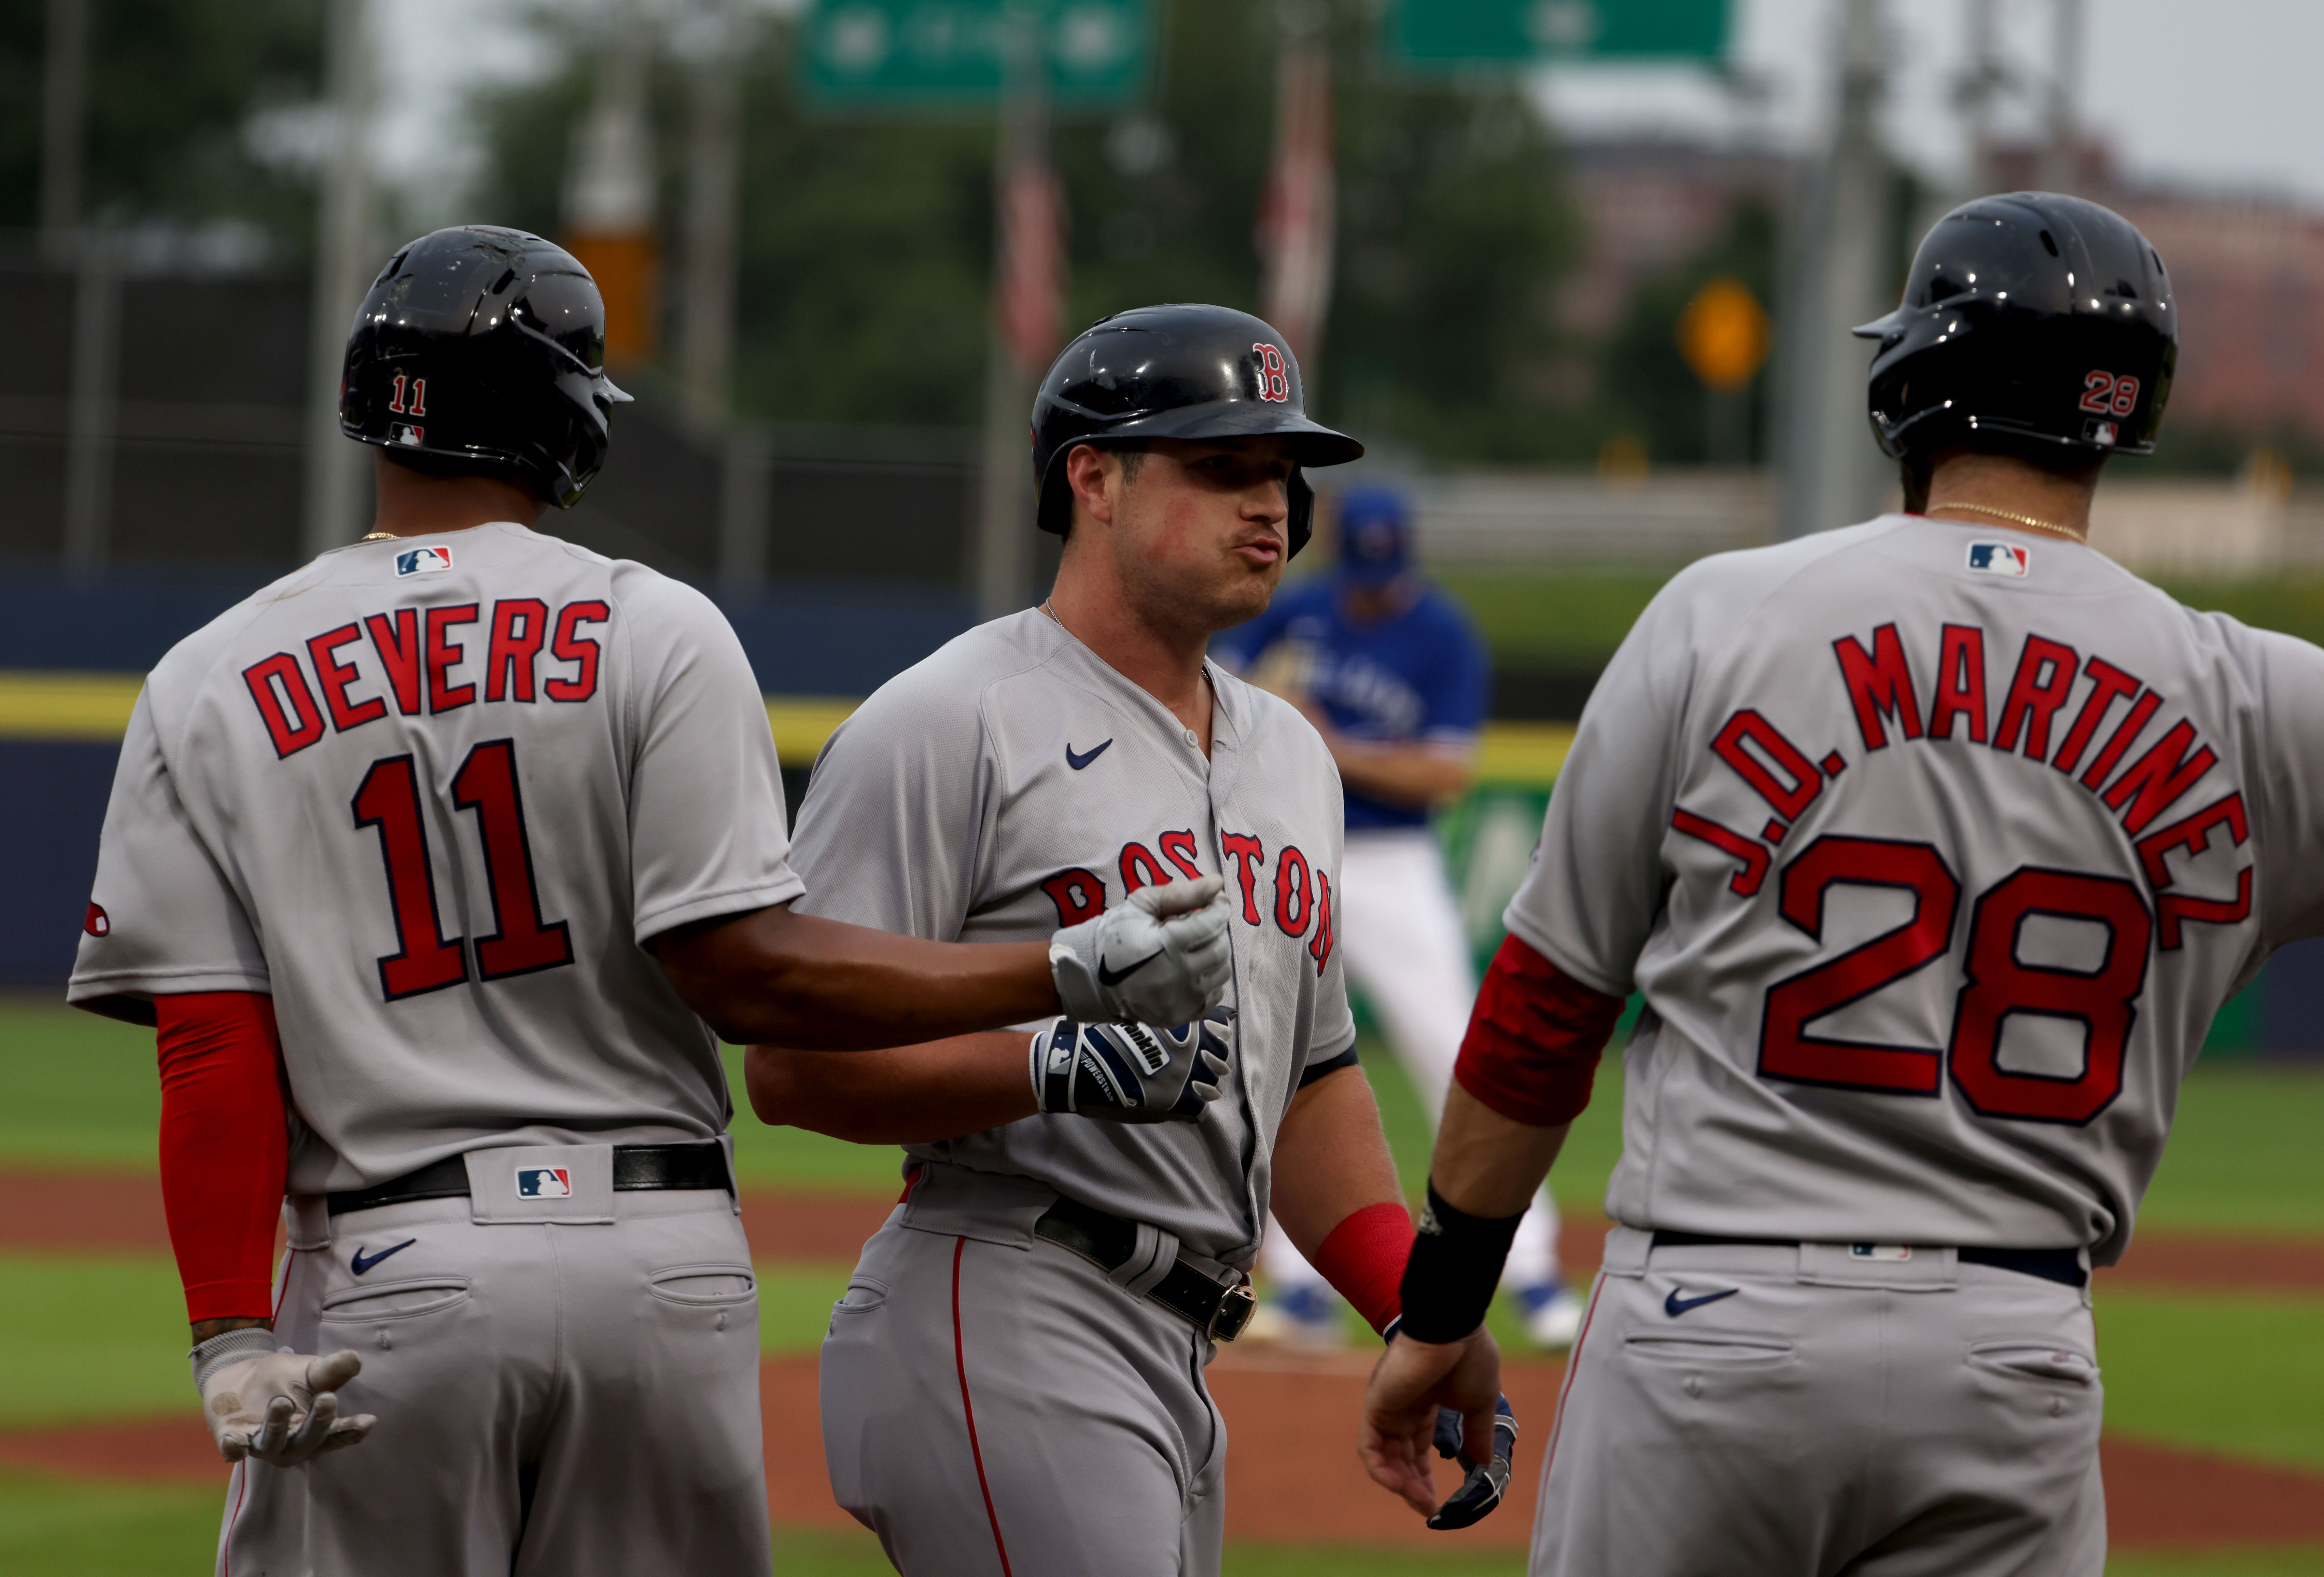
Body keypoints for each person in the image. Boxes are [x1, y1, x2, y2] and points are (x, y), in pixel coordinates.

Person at [65, 228, 1233, 1577]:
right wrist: (1065, 969)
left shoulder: (209, 673)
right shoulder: (653, 627)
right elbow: (748, 972)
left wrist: (229, 1331)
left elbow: (214, 1047)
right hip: (662, 1265)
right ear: (565, 420)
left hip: (394, 1262)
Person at [1362, 192, 2295, 1574]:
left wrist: (1441, 1304)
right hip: (2013, 1344)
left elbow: (1544, 1009)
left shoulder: (1722, 615)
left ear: (1908, 387)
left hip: (1713, 1313)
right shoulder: (2260, 697)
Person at [746, 304, 1516, 1576]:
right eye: (1220, 468)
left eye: (1280, 474)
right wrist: (1049, 1061)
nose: (1267, 504)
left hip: (1180, 1338)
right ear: (1090, 479)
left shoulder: (1290, 757)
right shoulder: (948, 721)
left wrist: (1411, 1303)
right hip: (1007, 1290)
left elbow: (1311, 1075)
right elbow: (786, 1061)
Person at [1217, 483, 1582, 1350]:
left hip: (1392, 862)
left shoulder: (1441, 632)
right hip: (1291, 854)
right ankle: (1300, 1289)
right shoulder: (1300, 611)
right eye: (1363, 567)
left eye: (1385, 570)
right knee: (1272, 1057)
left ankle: (1529, 1271)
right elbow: (1211, 689)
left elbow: (1444, 773)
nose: (1372, 587)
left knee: (1458, 1056)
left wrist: (1330, 744)